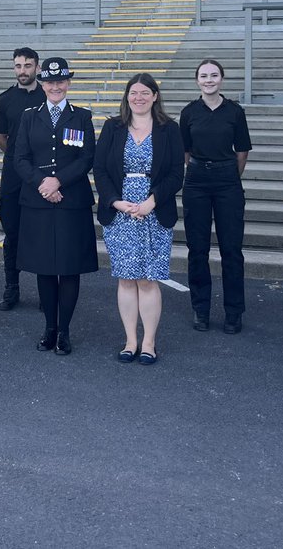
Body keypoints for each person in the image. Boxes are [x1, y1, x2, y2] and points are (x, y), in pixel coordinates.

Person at [94, 74, 184, 365]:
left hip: (154, 211)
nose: (139, 97)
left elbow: (175, 173)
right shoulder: (113, 127)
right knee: (126, 278)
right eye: (134, 92)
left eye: (145, 92)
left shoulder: (169, 129)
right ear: (127, 96)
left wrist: (151, 202)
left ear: (155, 96)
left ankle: (149, 342)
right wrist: (116, 201)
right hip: (121, 211)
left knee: (147, 279)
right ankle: (130, 339)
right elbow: (100, 170)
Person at [13, 57, 97, 356]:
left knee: (69, 268)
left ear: (68, 83)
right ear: (43, 84)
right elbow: (19, 158)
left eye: (61, 81)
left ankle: (65, 331)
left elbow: (86, 158)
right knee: (45, 269)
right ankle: (49, 327)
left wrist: (58, 182)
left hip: (71, 201)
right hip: (37, 201)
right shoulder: (29, 116)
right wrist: (43, 184)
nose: (55, 86)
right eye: (50, 82)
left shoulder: (82, 117)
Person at [178, 59, 252, 333]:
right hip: (197, 181)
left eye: (214, 75)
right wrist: (200, 170)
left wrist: (229, 174)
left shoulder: (235, 111)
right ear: (197, 80)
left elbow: (242, 150)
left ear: (222, 79)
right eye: (203, 76)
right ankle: (201, 309)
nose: (209, 80)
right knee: (197, 249)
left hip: (227, 182)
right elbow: (185, 151)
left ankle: (234, 312)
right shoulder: (189, 113)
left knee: (231, 250)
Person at [0, 47, 45, 311]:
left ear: (37, 66)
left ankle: (43, 291)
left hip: (42, 175)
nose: (22, 71)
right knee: (12, 233)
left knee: (39, 234)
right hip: (14, 176)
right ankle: (11, 287)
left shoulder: (48, 94)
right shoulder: (5, 99)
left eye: (27, 65)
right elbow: (1, 138)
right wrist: (20, 160)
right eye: (18, 66)